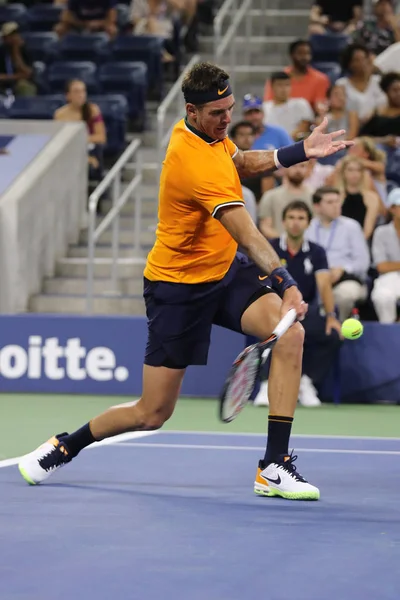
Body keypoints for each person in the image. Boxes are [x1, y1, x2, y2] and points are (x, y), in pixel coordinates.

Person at [18, 62, 352, 501]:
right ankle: (64, 446)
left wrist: (298, 151)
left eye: (229, 108)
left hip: (222, 273)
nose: (227, 118)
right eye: (217, 112)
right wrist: (286, 281)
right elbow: (247, 233)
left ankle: (273, 465)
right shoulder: (191, 161)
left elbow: (240, 161)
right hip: (177, 289)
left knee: (290, 334)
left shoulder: (209, 136)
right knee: (151, 413)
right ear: (192, 112)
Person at [254, 200, 343, 408]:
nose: (295, 223)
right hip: (274, 309)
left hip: (304, 310)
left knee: (332, 335)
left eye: (301, 218)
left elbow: (324, 286)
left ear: (308, 223)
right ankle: (267, 385)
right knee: (272, 332)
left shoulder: (317, 252)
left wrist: (331, 316)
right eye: (291, 218)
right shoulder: (271, 248)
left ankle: (306, 382)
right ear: (283, 222)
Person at [307, 186, 370, 321]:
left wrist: (342, 269)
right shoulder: (308, 228)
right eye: (330, 202)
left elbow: (363, 263)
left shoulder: (351, 227)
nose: (336, 206)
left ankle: (335, 330)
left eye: (337, 201)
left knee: (344, 295)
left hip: (346, 279)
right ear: (317, 206)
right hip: (314, 280)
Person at [54, 79, 106, 175]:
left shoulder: (93, 111)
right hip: (68, 152)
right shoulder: (60, 114)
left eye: (83, 91)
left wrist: (80, 140)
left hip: (88, 150)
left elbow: (101, 137)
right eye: (76, 92)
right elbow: (59, 140)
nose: (81, 95)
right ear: (68, 95)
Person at [263, 39, 330, 111]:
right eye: (300, 53)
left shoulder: (321, 79)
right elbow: (269, 104)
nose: (304, 57)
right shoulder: (278, 79)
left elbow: (320, 107)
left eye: (307, 53)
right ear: (292, 55)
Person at [258, 162, 313, 239]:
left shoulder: (314, 196)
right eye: (293, 165)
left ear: (308, 169)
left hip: (310, 247)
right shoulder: (270, 196)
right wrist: (286, 242)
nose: (298, 170)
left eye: (302, 166)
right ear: (284, 168)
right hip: (277, 247)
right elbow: (265, 227)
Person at [336, 43, 387, 122]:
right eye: (357, 60)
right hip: (350, 126)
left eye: (364, 58)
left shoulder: (380, 81)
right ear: (349, 64)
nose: (363, 63)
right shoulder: (341, 84)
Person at [371, 187, 400, 323]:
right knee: (382, 297)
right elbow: (382, 266)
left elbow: (387, 265)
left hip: (392, 274)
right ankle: (389, 332)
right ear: (392, 209)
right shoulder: (381, 232)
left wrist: (393, 265)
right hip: (389, 278)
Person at [335, 155, 381, 240]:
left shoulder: (372, 198)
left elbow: (368, 229)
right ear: (343, 172)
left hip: (362, 241)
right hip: (338, 240)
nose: (354, 174)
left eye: (358, 170)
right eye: (350, 170)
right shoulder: (336, 196)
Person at [263, 71, 314, 141]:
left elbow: (303, 128)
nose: (284, 89)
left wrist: (284, 142)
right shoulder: (264, 107)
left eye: (287, 85)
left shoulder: (300, 104)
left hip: (294, 145)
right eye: (280, 85)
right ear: (272, 87)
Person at [230, 120, 264, 203]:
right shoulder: (225, 161)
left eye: (250, 134)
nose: (246, 138)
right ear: (233, 139)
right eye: (242, 135)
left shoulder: (262, 160)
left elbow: (266, 193)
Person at [0, 22, 36, 100]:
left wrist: (16, 52)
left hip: (19, 84)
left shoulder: (24, 50)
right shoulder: (1, 51)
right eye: (9, 36)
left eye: (15, 34)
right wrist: (17, 76)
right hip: (2, 85)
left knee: (24, 86)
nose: (13, 38)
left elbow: (28, 74)